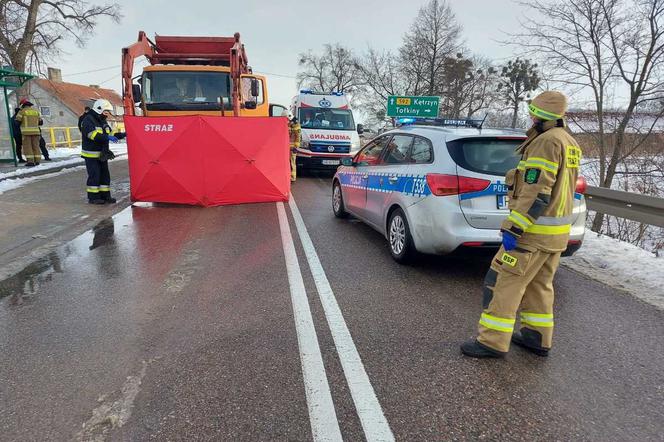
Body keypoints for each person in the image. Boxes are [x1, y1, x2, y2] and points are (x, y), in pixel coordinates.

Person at [461, 91, 582, 359]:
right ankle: (536, 336)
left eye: (534, 110)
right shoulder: (569, 141)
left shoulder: (546, 142)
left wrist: (514, 227)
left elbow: (536, 190)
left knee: (504, 282)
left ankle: (492, 341)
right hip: (556, 234)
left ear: (542, 113)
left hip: (532, 233)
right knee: (540, 285)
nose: (531, 115)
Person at [80, 99, 126, 204]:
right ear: (99, 109)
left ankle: (105, 196)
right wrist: (107, 138)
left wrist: (123, 134)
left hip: (102, 153)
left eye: (108, 112)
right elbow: (92, 135)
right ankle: (94, 197)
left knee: (105, 175)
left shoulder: (102, 120)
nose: (108, 114)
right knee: (94, 175)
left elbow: (111, 132)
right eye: (106, 112)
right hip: (91, 154)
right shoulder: (88, 120)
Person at [15, 99, 41, 166]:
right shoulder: (36, 111)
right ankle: (37, 161)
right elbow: (41, 122)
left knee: (28, 147)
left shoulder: (22, 111)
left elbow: (17, 122)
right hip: (36, 132)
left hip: (26, 133)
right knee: (36, 146)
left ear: (23, 105)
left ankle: (30, 162)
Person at [287, 111, 301, 183]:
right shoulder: (289, 124)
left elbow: (298, 137)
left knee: (292, 162)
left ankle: (292, 177)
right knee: (288, 162)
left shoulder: (296, 125)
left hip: (292, 148)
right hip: (287, 147)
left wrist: (295, 147)